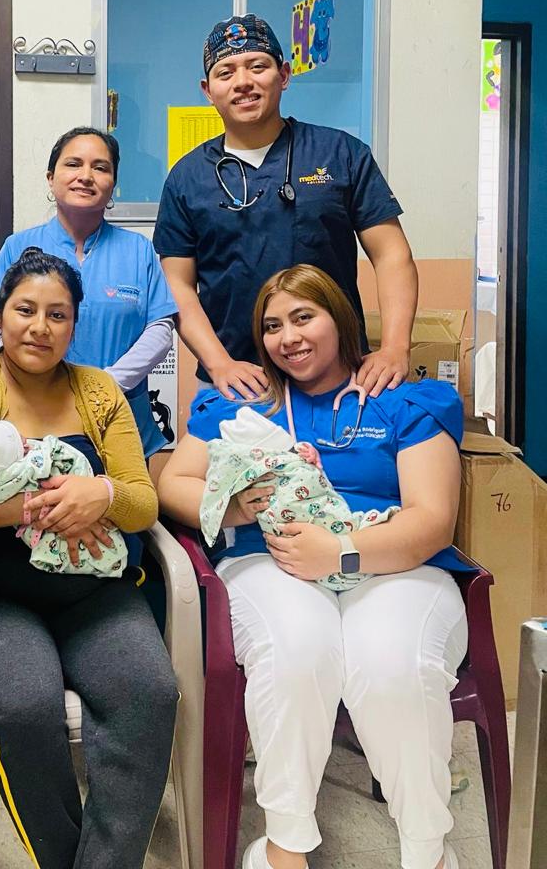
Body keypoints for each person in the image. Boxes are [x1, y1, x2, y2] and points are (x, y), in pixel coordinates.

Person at [156, 264, 467, 869]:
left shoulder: (403, 400)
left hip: (396, 563)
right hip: (269, 557)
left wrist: (343, 550)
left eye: (304, 318)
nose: (287, 337)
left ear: (339, 319)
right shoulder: (240, 402)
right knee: (297, 651)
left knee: (392, 665)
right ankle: (286, 846)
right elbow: (175, 483)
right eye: (272, 326)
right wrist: (236, 506)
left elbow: (433, 520)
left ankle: (427, 848)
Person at [0, 247, 178, 869]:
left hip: (92, 592)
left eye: (57, 315)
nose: (40, 327)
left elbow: (141, 501)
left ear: (74, 324)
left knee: (149, 692)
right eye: (25, 310)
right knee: (25, 707)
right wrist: (43, 505)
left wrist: (102, 493)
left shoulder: (99, 390)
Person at [152, 15, 417, 402]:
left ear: (285, 75)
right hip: (236, 382)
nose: (243, 81)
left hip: (339, 375)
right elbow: (177, 283)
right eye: (226, 72)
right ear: (208, 90)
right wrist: (219, 363)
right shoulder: (187, 177)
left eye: (257, 66)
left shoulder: (341, 154)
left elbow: (391, 253)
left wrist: (395, 347)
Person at [0, 127, 177, 471]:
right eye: (73, 164)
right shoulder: (18, 247)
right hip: (34, 418)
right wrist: (43, 381)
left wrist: (106, 385)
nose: (86, 176)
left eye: (100, 167)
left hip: (122, 416)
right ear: (51, 178)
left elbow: (160, 330)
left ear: (113, 183)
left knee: (123, 502)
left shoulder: (138, 249)